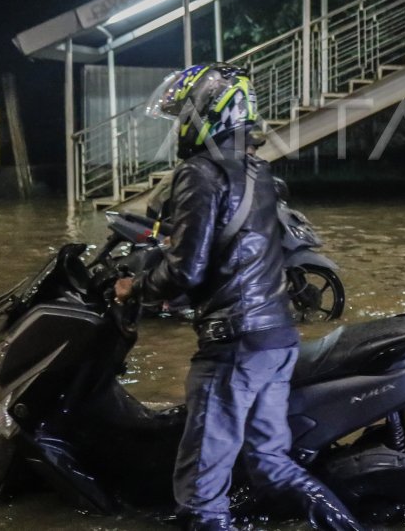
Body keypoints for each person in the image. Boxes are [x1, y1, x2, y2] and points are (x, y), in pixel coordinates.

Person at [114, 63, 362, 531]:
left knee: (200, 492)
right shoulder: (257, 171)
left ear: (206, 113)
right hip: (276, 338)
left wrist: (135, 287)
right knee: (271, 463)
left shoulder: (199, 174)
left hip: (232, 346)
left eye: (182, 114)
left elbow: (186, 269)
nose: (179, 126)